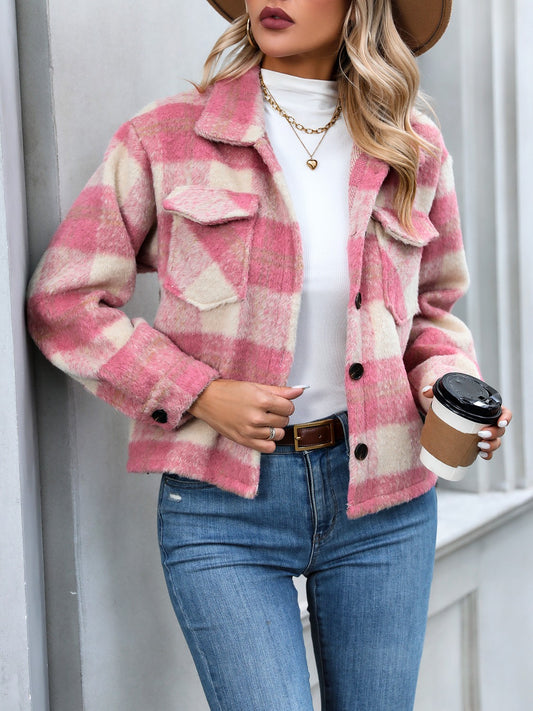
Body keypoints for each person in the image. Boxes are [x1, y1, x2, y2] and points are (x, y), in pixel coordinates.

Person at [27, 1, 512, 709]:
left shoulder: (413, 147)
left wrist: (450, 387)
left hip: (384, 502)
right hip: (223, 506)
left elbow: (432, 311)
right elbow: (64, 301)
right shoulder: (165, 136)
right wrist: (196, 391)